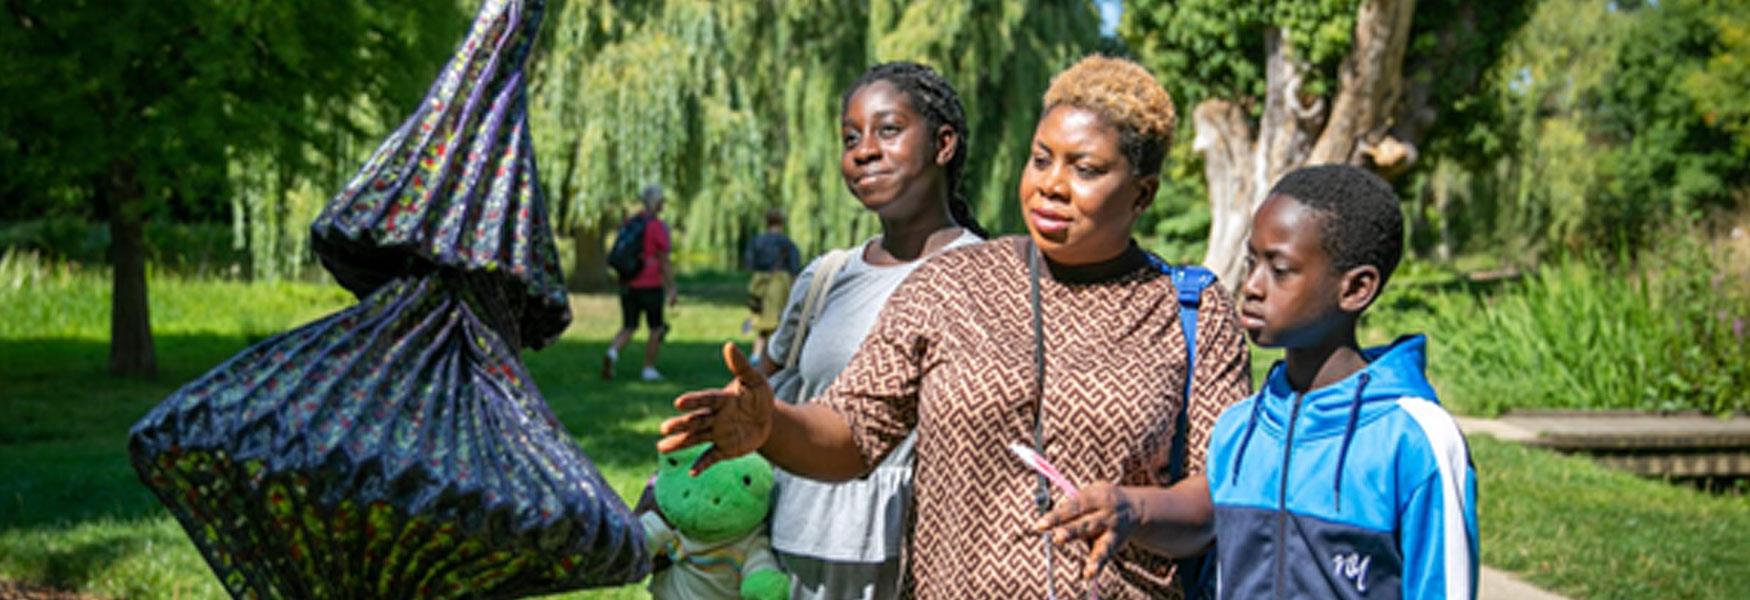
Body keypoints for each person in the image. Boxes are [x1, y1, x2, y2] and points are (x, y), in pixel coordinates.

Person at [659, 55, 1250, 599]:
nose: (1051, 184)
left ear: (1141, 193)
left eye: (1085, 168)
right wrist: (774, 426)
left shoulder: (1190, 310)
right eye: (1041, 159)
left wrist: (1133, 509)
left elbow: (1218, 498)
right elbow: (853, 432)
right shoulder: (952, 283)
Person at [761, 62, 989, 600]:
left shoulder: (990, 277)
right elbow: (761, 391)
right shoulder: (825, 278)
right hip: (796, 545)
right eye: (850, 137)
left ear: (943, 144)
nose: (864, 150)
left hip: (919, 559)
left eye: (888, 130)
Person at [1206, 165, 1478, 599]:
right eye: (1251, 262)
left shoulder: (1413, 439)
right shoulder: (1236, 431)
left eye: (1279, 269)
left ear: (1355, 289)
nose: (1252, 286)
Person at [605, 183, 677, 382]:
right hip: (650, 284)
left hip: (628, 283)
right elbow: (664, 260)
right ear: (658, 203)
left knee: (629, 325)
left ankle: (612, 353)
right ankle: (648, 368)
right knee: (656, 327)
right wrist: (671, 288)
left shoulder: (631, 222)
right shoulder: (656, 226)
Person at [744, 208, 802, 365]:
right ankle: (774, 358)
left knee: (761, 322)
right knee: (778, 322)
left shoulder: (756, 241)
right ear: (782, 223)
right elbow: (794, 268)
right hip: (780, 284)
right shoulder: (787, 243)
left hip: (760, 283)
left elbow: (749, 264)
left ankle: (756, 356)